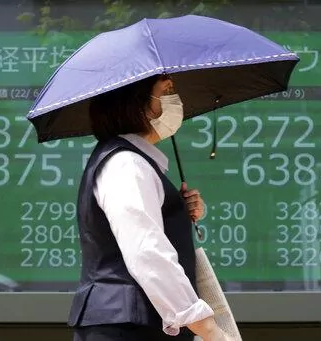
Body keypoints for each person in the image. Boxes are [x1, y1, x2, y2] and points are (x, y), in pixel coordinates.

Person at [68, 74, 232, 341]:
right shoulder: (127, 165)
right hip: (129, 328)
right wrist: (206, 327)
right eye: (166, 90)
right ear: (135, 101)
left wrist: (175, 210)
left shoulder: (132, 161)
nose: (175, 99)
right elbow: (147, 251)